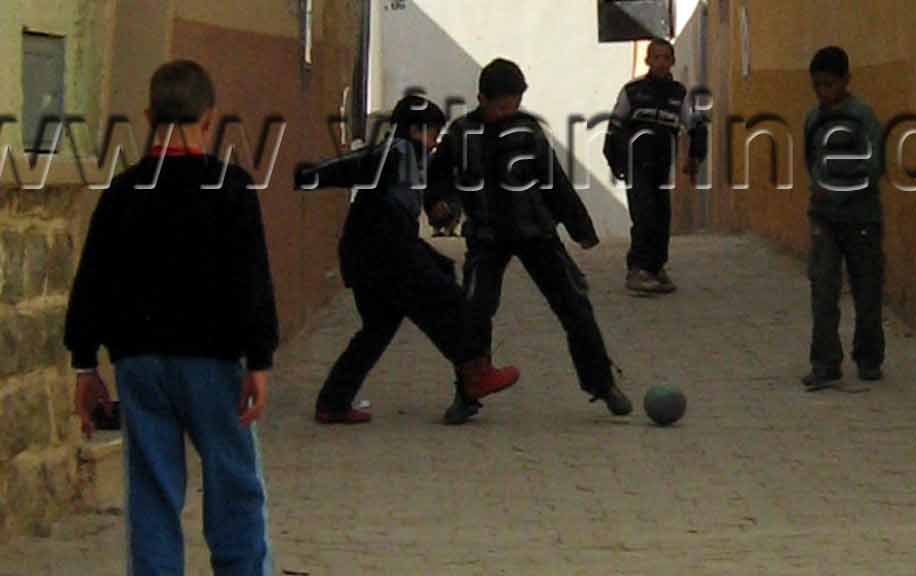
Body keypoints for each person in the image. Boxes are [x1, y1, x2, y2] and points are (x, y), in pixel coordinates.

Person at [65, 56, 299, 576]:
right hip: (215, 365)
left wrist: (85, 366)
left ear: (147, 117)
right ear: (209, 116)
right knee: (236, 492)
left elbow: (91, 284)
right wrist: (260, 360)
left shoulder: (121, 194)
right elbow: (254, 283)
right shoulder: (231, 191)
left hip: (140, 365)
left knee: (151, 494)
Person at [293, 90, 520, 423]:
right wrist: (308, 175)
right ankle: (475, 372)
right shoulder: (397, 151)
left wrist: (439, 210)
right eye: (432, 134)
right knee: (445, 298)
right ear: (415, 130)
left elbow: (423, 193)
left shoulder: (412, 159)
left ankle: (333, 401)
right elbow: (351, 167)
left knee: (377, 329)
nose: (434, 142)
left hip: (369, 253)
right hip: (385, 250)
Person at [427, 58, 633, 421]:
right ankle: (467, 392)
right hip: (486, 236)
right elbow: (438, 177)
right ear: (482, 99)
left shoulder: (527, 131)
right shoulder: (461, 134)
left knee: (574, 306)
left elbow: (553, 180)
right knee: (474, 310)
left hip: (535, 232)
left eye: (515, 104)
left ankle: (602, 384)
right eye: (501, 106)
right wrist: (439, 206)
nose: (509, 112)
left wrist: (580, 228)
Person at [802, 43, 887, 391]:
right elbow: (810, 158)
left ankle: (868, 358)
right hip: (824, 217)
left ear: (846, 81)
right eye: (818, 85)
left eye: (830, 85)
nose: (824, 92)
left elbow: (874, 165)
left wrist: (840, 189)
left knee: (867, 289)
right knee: (823, 288)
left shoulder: (862, 117)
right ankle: (825, 362)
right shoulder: (814, 117)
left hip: (861, 216)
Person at [603, 37, 710, 295]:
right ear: (648, 60)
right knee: (644, 216)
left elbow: (696, 126)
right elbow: (614, 128)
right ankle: (637, 269)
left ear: (672, 61)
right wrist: (615, 161)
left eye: (666, 58)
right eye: (656, 57)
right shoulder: (632, 92)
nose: (661, 62)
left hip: (663, 167)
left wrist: (695, 157)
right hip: (636, 164)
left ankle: (656, 267)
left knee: (662, 218)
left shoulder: (679, 95)